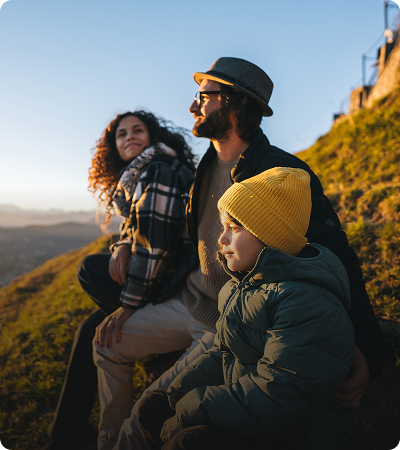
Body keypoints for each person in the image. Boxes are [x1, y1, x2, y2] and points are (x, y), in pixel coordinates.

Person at [93, 57, 389, 450]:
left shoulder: (281, 173)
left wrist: (367, 348)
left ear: (234, 103)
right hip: (187, 298)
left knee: (144, 423)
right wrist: (127, 250)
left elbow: (335, 257)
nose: (192, 106)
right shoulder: (206, 164)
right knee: (104, 343)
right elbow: (177, 234)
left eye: (203, 95)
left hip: (227, 319)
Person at [137, 167, 357, 450]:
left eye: (235, 227)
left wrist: (191, 408)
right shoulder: (241, 285)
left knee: (188, 443)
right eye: (222, 227)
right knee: (154, 408)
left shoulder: (306, 302)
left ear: (270, 235)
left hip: (298, 432)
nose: (221, 239)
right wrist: (179, 393)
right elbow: (224, 352)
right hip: (247, 407)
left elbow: (279, 396)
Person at [46, 110, 196, 448]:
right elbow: (140, 231)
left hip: (176, 283)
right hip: (164, 276)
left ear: (152, 137)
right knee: (90, 331)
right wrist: (123, 243)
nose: (129, 137)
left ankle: (68, 437)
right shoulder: (140, 174)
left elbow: (156, 246)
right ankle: (65, 436)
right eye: (121, 134)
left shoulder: (159, 169)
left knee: (89, 269)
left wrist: (128, 307)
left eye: (138, 130)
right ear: (113, 147)